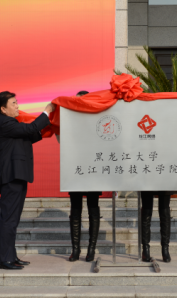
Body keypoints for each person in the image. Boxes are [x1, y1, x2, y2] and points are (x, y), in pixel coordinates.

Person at [0, 91, 55, 269]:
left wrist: (48, 126)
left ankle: (10, 256)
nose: (17, 106)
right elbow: (29, 129)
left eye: (16, 102)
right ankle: (4, 259)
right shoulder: (4, 122)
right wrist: (46, 112)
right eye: (13, 103)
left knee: (13, 219)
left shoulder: (10, 123)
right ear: (3, 109)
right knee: (9, 219)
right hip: (10, 176)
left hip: (17, 175)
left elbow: (29, 135)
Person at [141, 94, 177, 264]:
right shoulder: (147, 120)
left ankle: (165, 249)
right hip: (147, 171)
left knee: (164, 211)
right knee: (146, 211)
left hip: (165, 170)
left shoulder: (172, 123)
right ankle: (145, 249)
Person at [57, 91, 102, 262]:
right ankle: (75, 249)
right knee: (75, 210)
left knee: (93, 208)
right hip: (74, 168)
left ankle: (91, 249)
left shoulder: (97, 119)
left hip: (94, 169)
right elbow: (60, 139)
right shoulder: (69, 119)